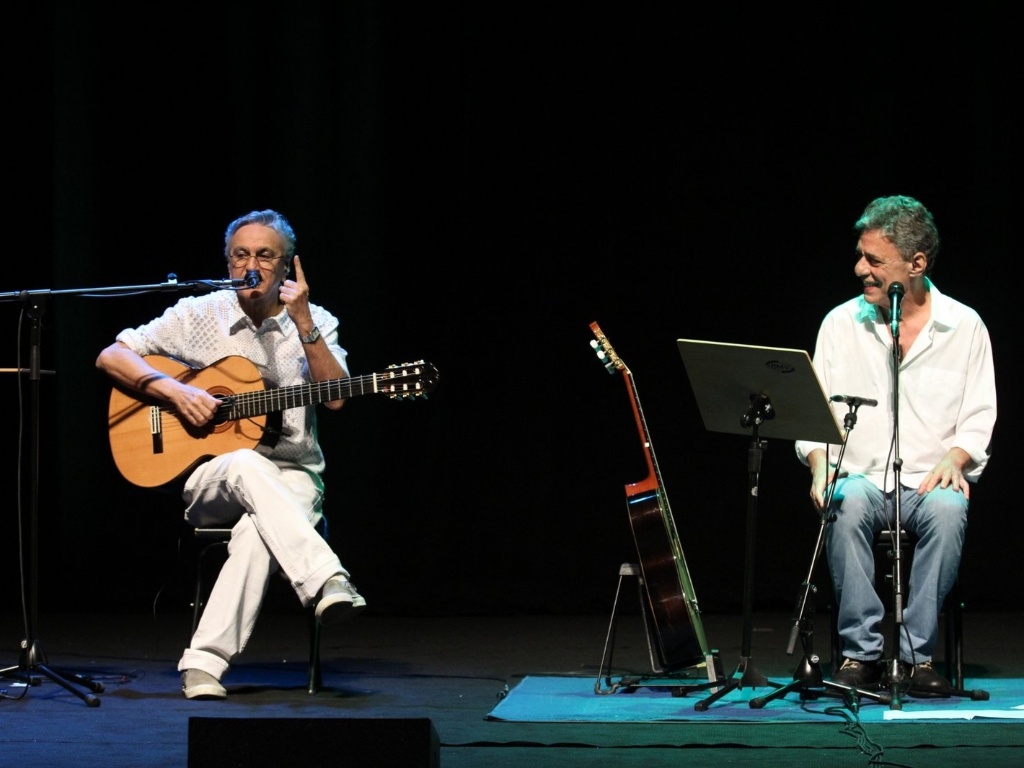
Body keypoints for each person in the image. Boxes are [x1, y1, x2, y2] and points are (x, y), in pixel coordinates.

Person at [96, 209, 365, 700]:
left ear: (287, 268)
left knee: (259, 534)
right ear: (227, 262)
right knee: (245, 461)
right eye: (241, 255)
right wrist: (175, 394)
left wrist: (303, 322)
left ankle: (202, 665)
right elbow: (111, 356)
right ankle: (327, 577)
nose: (252, 264)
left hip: (296, 475)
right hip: (213, 479)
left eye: (265, 255)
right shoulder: (200, 314)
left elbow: (337, 396)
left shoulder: (318, 320)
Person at [794, 195, 996, 697]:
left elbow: (980, 413)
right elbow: (814, 414)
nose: (860, 268)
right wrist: (819, 465)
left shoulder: (964, 326)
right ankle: (860, 654)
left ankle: (915, 655)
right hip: (860, 476)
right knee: (843, 500)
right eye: (861, 255)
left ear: (917, 264)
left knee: (950, 510)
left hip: (929, 478)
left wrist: (958, 456)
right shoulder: (840, 324)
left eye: (874, 260)